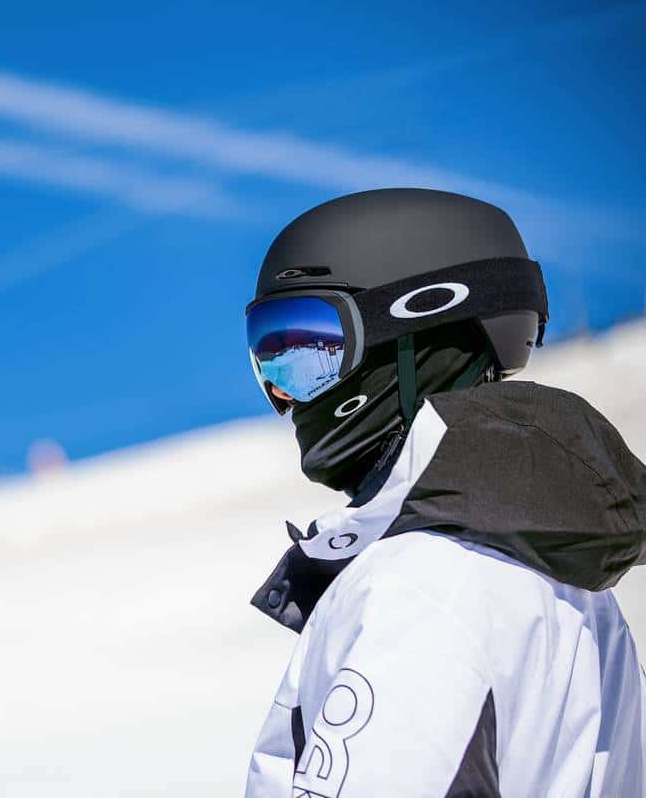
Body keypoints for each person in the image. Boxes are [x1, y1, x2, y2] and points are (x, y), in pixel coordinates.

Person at [241, 188, 646, 797]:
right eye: (269, 361)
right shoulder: (564, 582)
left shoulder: (424, 583)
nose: (285, 398)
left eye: (311, 351)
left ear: (415, 328)